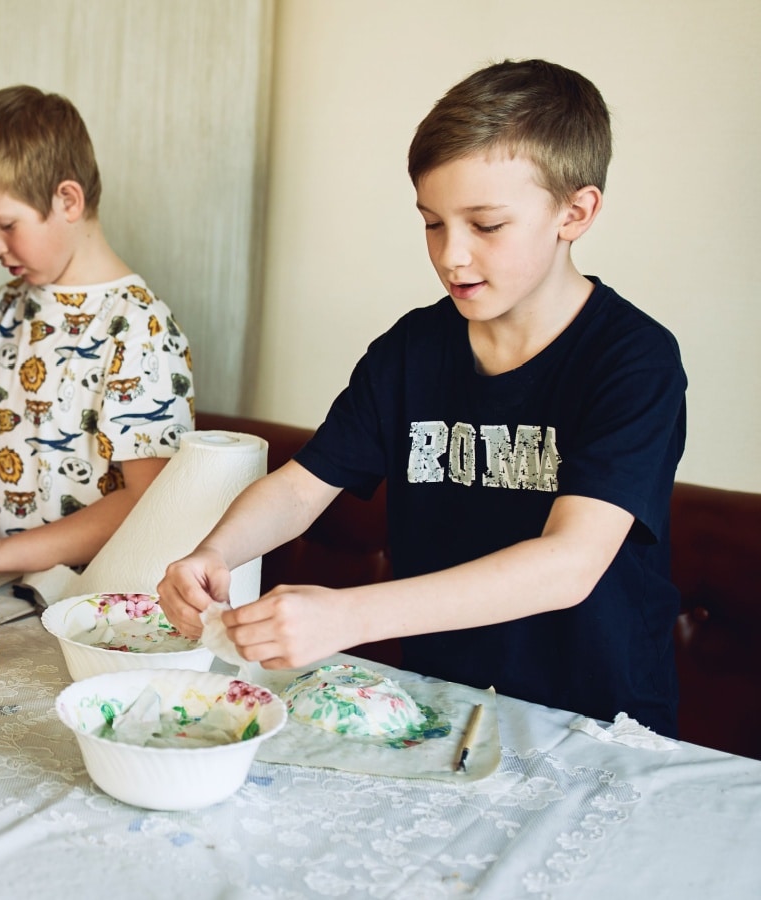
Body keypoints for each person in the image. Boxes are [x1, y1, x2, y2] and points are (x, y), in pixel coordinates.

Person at [157, 59, 687, 736]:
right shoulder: (412, 350)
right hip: (446, 707)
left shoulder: (634, 360)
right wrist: (215, 552)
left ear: (574, 213)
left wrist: (351, 615)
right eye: (433, 223)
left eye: (486, 226)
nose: (451, 256)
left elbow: (569, 564)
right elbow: (301, 487)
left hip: (599, 721)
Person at [0, 85, 195, 574]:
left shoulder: (138, 329)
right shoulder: (0, 309)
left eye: (6, 225)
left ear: (68, 200)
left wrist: (1, 554)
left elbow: (147, 499)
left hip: (78, 604)